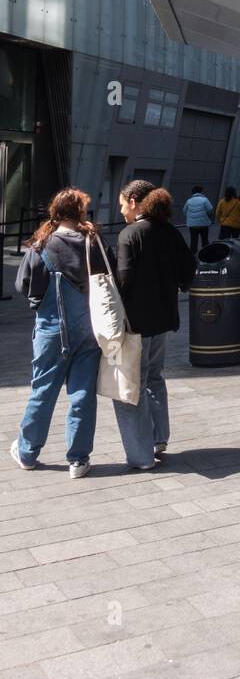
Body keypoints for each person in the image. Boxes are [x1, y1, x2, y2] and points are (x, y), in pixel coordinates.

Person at [11, 188, 115, 478]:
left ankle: (27, 452)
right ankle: (79, 459)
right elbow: (112, 274)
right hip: (89, 330)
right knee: (82, 394)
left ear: (54, 212)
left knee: (42, 391)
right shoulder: (93, 243)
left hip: (51, 331)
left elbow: (22, 286)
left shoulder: (42, 245)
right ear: (81, 213)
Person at [115, 184, 196, 468]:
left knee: (134, 382)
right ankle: (160, 438)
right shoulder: (170, 232)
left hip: (136, 322)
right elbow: (189, 269)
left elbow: (123, 279)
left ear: (135, 202)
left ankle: (145, 445)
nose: (121, 210)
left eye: (123, 204)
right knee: (155, 377)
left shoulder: (129, 235)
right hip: (164, 318)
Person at [183, 185, 213, 254]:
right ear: (201, 192)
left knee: (193, 241)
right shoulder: (205, 199)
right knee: (205, 240)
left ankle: (193, 256)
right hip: (203, 224)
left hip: (192, 225)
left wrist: (190, 217)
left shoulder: (189, 201)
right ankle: (205, 255)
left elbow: (184, 211)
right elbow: (210, 209)